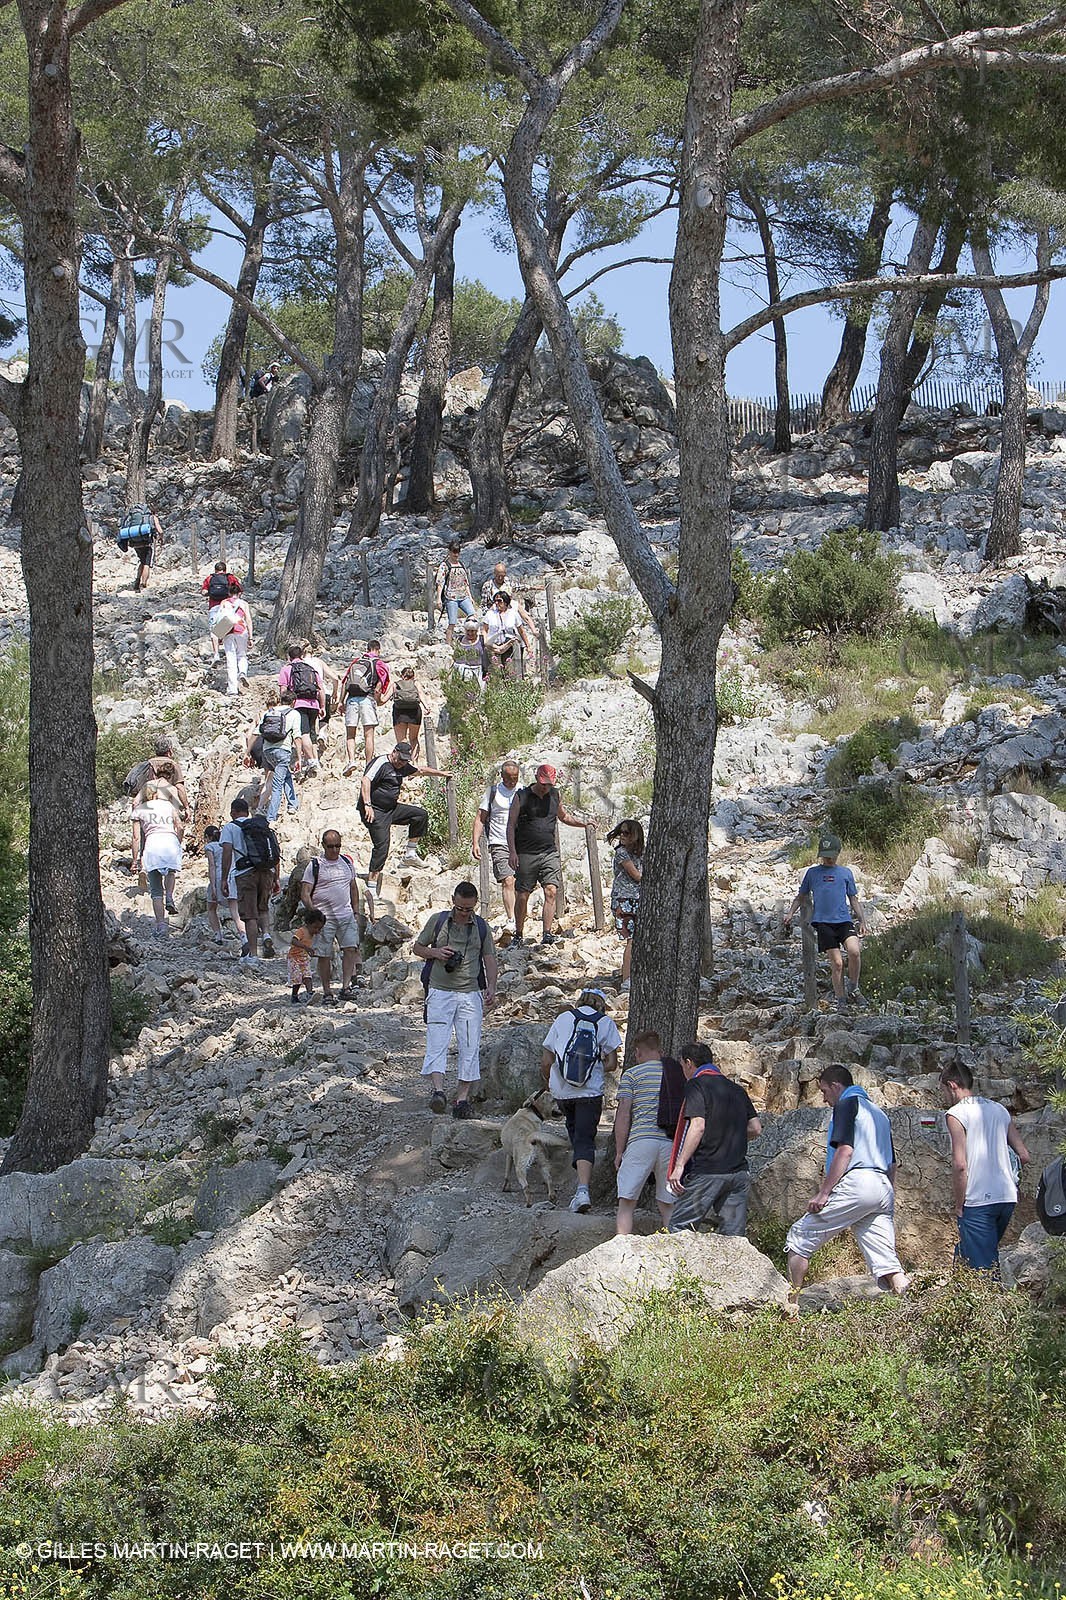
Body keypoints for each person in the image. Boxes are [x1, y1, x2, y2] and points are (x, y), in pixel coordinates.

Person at [784, 1065, 910, 1312]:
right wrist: (886, 1196)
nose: (824, 1098)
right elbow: (892, 1163)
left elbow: (845, 1150)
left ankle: (791, 1305)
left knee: (799, 1236)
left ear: (836, 1086)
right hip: (883, 1186)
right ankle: (910, 1301)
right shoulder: (879, 1113)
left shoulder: (846, 1104)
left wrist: (824, 1192)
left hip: (859, 1181)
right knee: (885, 1259)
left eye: (824, 1091)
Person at [413, 881, 498, 1118]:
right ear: (453, 900)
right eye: (460, 908)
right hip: (440, 990)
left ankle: (462, 1099)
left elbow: (489, 958)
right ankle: (438, 1091)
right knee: (436, 1041)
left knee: (470, 1045)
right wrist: (436, 953)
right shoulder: (438, 921)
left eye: (468, 909)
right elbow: (417, 947)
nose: (463, 913)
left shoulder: (482, 927)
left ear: (475, 906)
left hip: (470, 993)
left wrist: (491, 986)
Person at [941, 1060, 1030, 1274]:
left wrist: (960, 1204)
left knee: (984, 1271)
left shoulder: (956, 1114)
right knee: (968, 1253)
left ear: (952, 1085)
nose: (942, 1095)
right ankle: (957, 1299)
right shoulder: (999, 1109)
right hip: (1006, 1197)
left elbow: (961, 1165)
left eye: (942, 1089)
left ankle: (996, 1305)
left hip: (979, 1200)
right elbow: (1024, 1155)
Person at [540, 987, 621, 1213]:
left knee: (574, 1133)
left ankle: (577, 1187)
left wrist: (549, 1079)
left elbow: (547, 1058)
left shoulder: (564, 1018)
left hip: (563, 1093)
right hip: (590, 1093)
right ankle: (583, 1190)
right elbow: (612, 1064)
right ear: (601, 1004)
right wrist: (593, 1069)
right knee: (585, 1138)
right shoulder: (605, 1023)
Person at [667, 1043, 761, 1236]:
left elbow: (698, 1125)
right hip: (739, 1173)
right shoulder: (736, 1089)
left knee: (679, 1229)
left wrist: (679, 1165)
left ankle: (677, 1267)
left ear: (688, 1063)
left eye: (682, 1066)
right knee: (734, 1236)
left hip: (708, 1171)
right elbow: (755, 1128)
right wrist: (730, 1136)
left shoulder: (696, 1084)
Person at [506, 764, 590, 947]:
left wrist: (583, 823)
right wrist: (512, 851)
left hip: (549, 852)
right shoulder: (521, 796)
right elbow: (511, 825)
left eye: (549, 784)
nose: (546, 787)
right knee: (522, 895)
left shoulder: (555, 794)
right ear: (537, 778)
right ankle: (518, 934)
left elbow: (564, 817)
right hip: (526, 853)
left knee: (551, 890)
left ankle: (547, 933)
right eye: (543, 783)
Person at [784, 831, 867, 1014]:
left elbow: (853, 898)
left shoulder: (845, 873)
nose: (828, 860)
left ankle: (854, 987)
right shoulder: (813, 873)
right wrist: (790, 913)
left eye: (831, 856)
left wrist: (862, 920)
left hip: (844, 920)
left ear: (838, 854)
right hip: (823, 923)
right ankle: (841, 1001)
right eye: (825, 857)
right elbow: (801, 896)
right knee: (837, 963)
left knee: (854, 951)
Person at [358, 741, 450, 886]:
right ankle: (372, 885)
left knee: (420, 815)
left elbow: (420, 770)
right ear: (394, 752)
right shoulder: (381, 763)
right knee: (382, 846)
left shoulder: (403, 765)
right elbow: (365, 780)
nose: (402, 763)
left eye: (405, 760)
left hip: (391, 809)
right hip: (375, 811)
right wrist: (367, 805)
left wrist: (442, 774)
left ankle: (410, 854)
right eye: (400, 759)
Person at [614, 1031, 676, 1234]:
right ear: (660, 1050)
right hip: (669, 1143)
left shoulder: (632, 1074)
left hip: (641, 1140)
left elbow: (624, 1114)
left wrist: (619, 1152)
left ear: (638, 1052)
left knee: (627, 1202)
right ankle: (676, 1251)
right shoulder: (674, 1075)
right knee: (668, 1204)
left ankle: (621, 1245)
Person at [299, 830, 363, 1005]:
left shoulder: (346, 862)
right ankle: (327, 991)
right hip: (324, 918)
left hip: (346, 914)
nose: (335, 850)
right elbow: (305, 893)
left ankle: (346, 987)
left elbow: (353, 887)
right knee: (324, 955)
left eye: (338, 846)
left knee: (350, 948)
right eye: (331, 846)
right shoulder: (315, 865)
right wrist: (315, 914)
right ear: (323, 846)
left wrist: (356, 911)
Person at [220, 798, 281, 970]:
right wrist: (276, 877)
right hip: (266, 872)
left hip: (245, 873)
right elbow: (275, 850)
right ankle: (267, 934)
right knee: (263, 908)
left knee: (249, 915)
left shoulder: (230, 827)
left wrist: (224, 879)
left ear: (233, 811)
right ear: (247, 811)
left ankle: (253, 955)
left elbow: (226, 853)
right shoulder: (260, 826)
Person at [472, 759, 521, 932]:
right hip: (499, 841)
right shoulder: (492, 792)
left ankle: (520, 917)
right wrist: (475, 842)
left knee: (520, 882)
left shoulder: (522, 791)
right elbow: (480, 818)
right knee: (508, 880)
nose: (511, 781)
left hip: (520, 842)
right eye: (508, 778)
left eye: (515, 778)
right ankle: (511, 919)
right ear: (501, 775)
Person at [131, 781, 184, 936]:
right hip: (170, 840)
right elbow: (180, 826)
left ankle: (161, 926)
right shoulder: (168, 806)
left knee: (155, 889)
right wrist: (178, 842)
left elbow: (135, 838)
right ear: (155, 793)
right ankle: (170, 896)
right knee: (170, 872)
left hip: (152, 843)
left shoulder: (139, 810)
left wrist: (135, 860)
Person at [341, 641, 391, 772]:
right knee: (368, 735)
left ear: (367, 649)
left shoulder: (356, 662)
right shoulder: (379, 664)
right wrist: (379, 700)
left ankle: (351, 761)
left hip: (351, 699)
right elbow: (379, 687)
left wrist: (341, 702)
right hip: (367, 699)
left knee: (350, 734)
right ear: (378, 650)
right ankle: (369, 764)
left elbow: (345, 681)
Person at [606, 818, 644, 990]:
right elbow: (636, 875)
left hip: (637, 899)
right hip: (625, 900)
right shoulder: (622, 853)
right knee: (632, 940)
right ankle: (626, 980)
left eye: (626, 833)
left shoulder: (640, 853)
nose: (622, 836)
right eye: (621, 832)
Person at [278, 645, 324, 774]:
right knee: (312, 733)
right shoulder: (311, 669)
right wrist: (323, 706)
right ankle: (315, 760)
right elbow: (321, 688)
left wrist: (285, 706)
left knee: (303, 733)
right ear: (302, 656)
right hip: (314, 704)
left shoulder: (287, 669)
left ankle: (311, 761)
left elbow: (283, 690)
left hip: (298, 704)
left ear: (289, 657)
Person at [258, 692, 302, 821]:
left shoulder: (270, 712)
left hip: (267, 751)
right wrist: (299, 757)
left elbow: (257, 732)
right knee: (277, 785)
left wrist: (247, 752)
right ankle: (271, 817)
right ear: (293, 702)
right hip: (283, 751)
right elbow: (297, 736)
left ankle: (292, 804)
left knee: (285, 774)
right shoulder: (294, 713)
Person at [202, 824, 241, 945]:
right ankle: (244, 936)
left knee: (211, 907)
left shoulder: (210, 847)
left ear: (207, 837)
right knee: (236, 910)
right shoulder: (227, 845)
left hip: (219, 877)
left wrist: (213, 886)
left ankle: (217, 935)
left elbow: (212, 866)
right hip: (233, 877)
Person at [480, 591, 533, 678]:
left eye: (499, 601)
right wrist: (486, 641)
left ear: (506, 602)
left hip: (509, 646)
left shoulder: (513, 614)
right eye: (495, 601)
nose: (497, 603)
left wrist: (528, 646)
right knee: (495, 673)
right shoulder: (490, 614)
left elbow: (521, 631)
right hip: (493, 646)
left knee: (510, 672)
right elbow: (484, 630)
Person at [435, 539, 476, 643]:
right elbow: (440, 583)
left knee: (472, 616)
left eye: (457, 552)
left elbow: (465, 582)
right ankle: (448, 645)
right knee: (452, 622)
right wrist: (439, 598)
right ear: (449, 552)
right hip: (451, 597)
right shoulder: (444, 566)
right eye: (454, 551)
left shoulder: (461, 564)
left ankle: (472, 641)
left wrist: (470, 597)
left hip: (463, 596)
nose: (456, 554)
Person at [202, 562, 243, 663]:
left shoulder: (209, 578)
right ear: (225, 570)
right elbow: (239, 590)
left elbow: (203, 592)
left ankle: (216, 654)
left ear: (215, 570)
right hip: (228, 607)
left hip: (214, 607)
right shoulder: (230, 578)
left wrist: (210, 593)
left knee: (214, 630)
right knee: (229, 629)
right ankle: (232, 653)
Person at [122, 503, 163, 592]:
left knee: (142, 561)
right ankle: (144, 584)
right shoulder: (152, 517)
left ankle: (137, 581)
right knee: (147, 564)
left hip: (135, 542)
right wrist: (161, 538)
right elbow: (160, 530)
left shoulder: (137, 518)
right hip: (146, 543)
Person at [287, 909, 326, 1005]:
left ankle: (310, 993)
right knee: (297, 978)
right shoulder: (302, 931)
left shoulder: (314, 935)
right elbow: (293, 941)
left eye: (319, 929)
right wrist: (305, 947)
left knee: (307, 976)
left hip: (304, 959)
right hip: (294, 958)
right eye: (315, 927)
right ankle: (294, 996)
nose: (317, 930)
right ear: (308, 923)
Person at [218, 592, 253, 697]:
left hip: (228, 630)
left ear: (228, 593)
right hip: (241, 630)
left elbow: (220, 618)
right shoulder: (244, 603)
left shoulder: (224, 602)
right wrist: (251, 637)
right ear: (240, 593)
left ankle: (232, 689)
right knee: (242, 655)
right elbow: (249, 620)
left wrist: (219, 635)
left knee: (230, 659)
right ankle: (242, 672)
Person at [391, 664, 423, 757]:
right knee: (414, 739)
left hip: (399, 712)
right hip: (414, 712)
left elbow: (385, 698)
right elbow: (421, 694)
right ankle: (415, 763)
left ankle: (404, 763)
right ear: (413, 676)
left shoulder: (396, 684)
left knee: (402, 740)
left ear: (402, 676)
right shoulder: (416, 683)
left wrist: (378, 700)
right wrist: (426, 706)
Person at [454, 619, 486, 687]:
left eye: (472, 631)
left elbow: (497, 649)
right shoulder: (459, 639)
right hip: (459, 672)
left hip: (476, 672)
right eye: (468, 631)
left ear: (477, 631)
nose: (470, 633)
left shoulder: (481, 640)